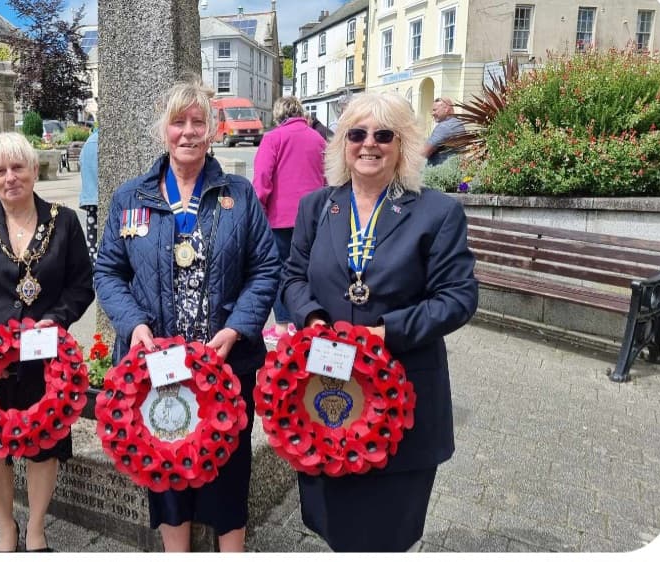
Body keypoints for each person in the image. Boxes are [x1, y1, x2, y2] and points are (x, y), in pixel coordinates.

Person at [281, 91, 478, 552]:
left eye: (383, 134)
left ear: (402, 145)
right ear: (342, 143)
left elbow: (459, 297)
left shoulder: (437, 212)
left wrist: (385, 333)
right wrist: (311, 319)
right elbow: (292, 277)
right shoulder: (316, 206)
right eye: (357, 133)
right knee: (337, 524)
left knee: (388, 529)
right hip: (325, 394)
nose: (369, 144)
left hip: (401, 399)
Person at [94, 77, 279, 552]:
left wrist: (238, 329)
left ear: (213, 130)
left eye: (199, 122)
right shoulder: (131, 198)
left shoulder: (238, 195)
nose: (189, 132)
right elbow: (108, 273)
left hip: (226, 364)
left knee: (230, 466)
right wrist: (133, 324)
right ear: (163, 130)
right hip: (157, 367)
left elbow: (265, 269)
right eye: (179, 122)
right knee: (166, 464)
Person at [0, 132, 94, 553]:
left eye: (18, 167)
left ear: (34, 169)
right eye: (0, 171)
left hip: (44, 359)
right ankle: (6, 526)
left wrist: (56, 319)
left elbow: (82, 285)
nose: (11, 178)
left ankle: (37, 529)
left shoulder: (63, 220)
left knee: (44, 444)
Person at [252, 95, 327, 346]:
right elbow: (328, 177)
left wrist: (258, 210)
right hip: (314, 217)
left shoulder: (273, 138)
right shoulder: (318, 138)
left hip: (279, 218)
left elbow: (262, 177)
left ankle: (283, 326)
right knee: (308, 269)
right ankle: (306, 320)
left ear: (278, 115)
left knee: (280, 270)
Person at [78, 127, 100, 264]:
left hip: (90, 197)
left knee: (92, 242)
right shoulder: (99, 141)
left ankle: (94, 270)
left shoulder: (89, 142)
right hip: (99, 196)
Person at [423, 97, 465, 166]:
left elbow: (424, 152)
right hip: (454, 169)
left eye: (435, 110)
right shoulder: (457, 123)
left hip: (439, 172)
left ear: (446, 109)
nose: (432, 113)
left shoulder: (444, 127)